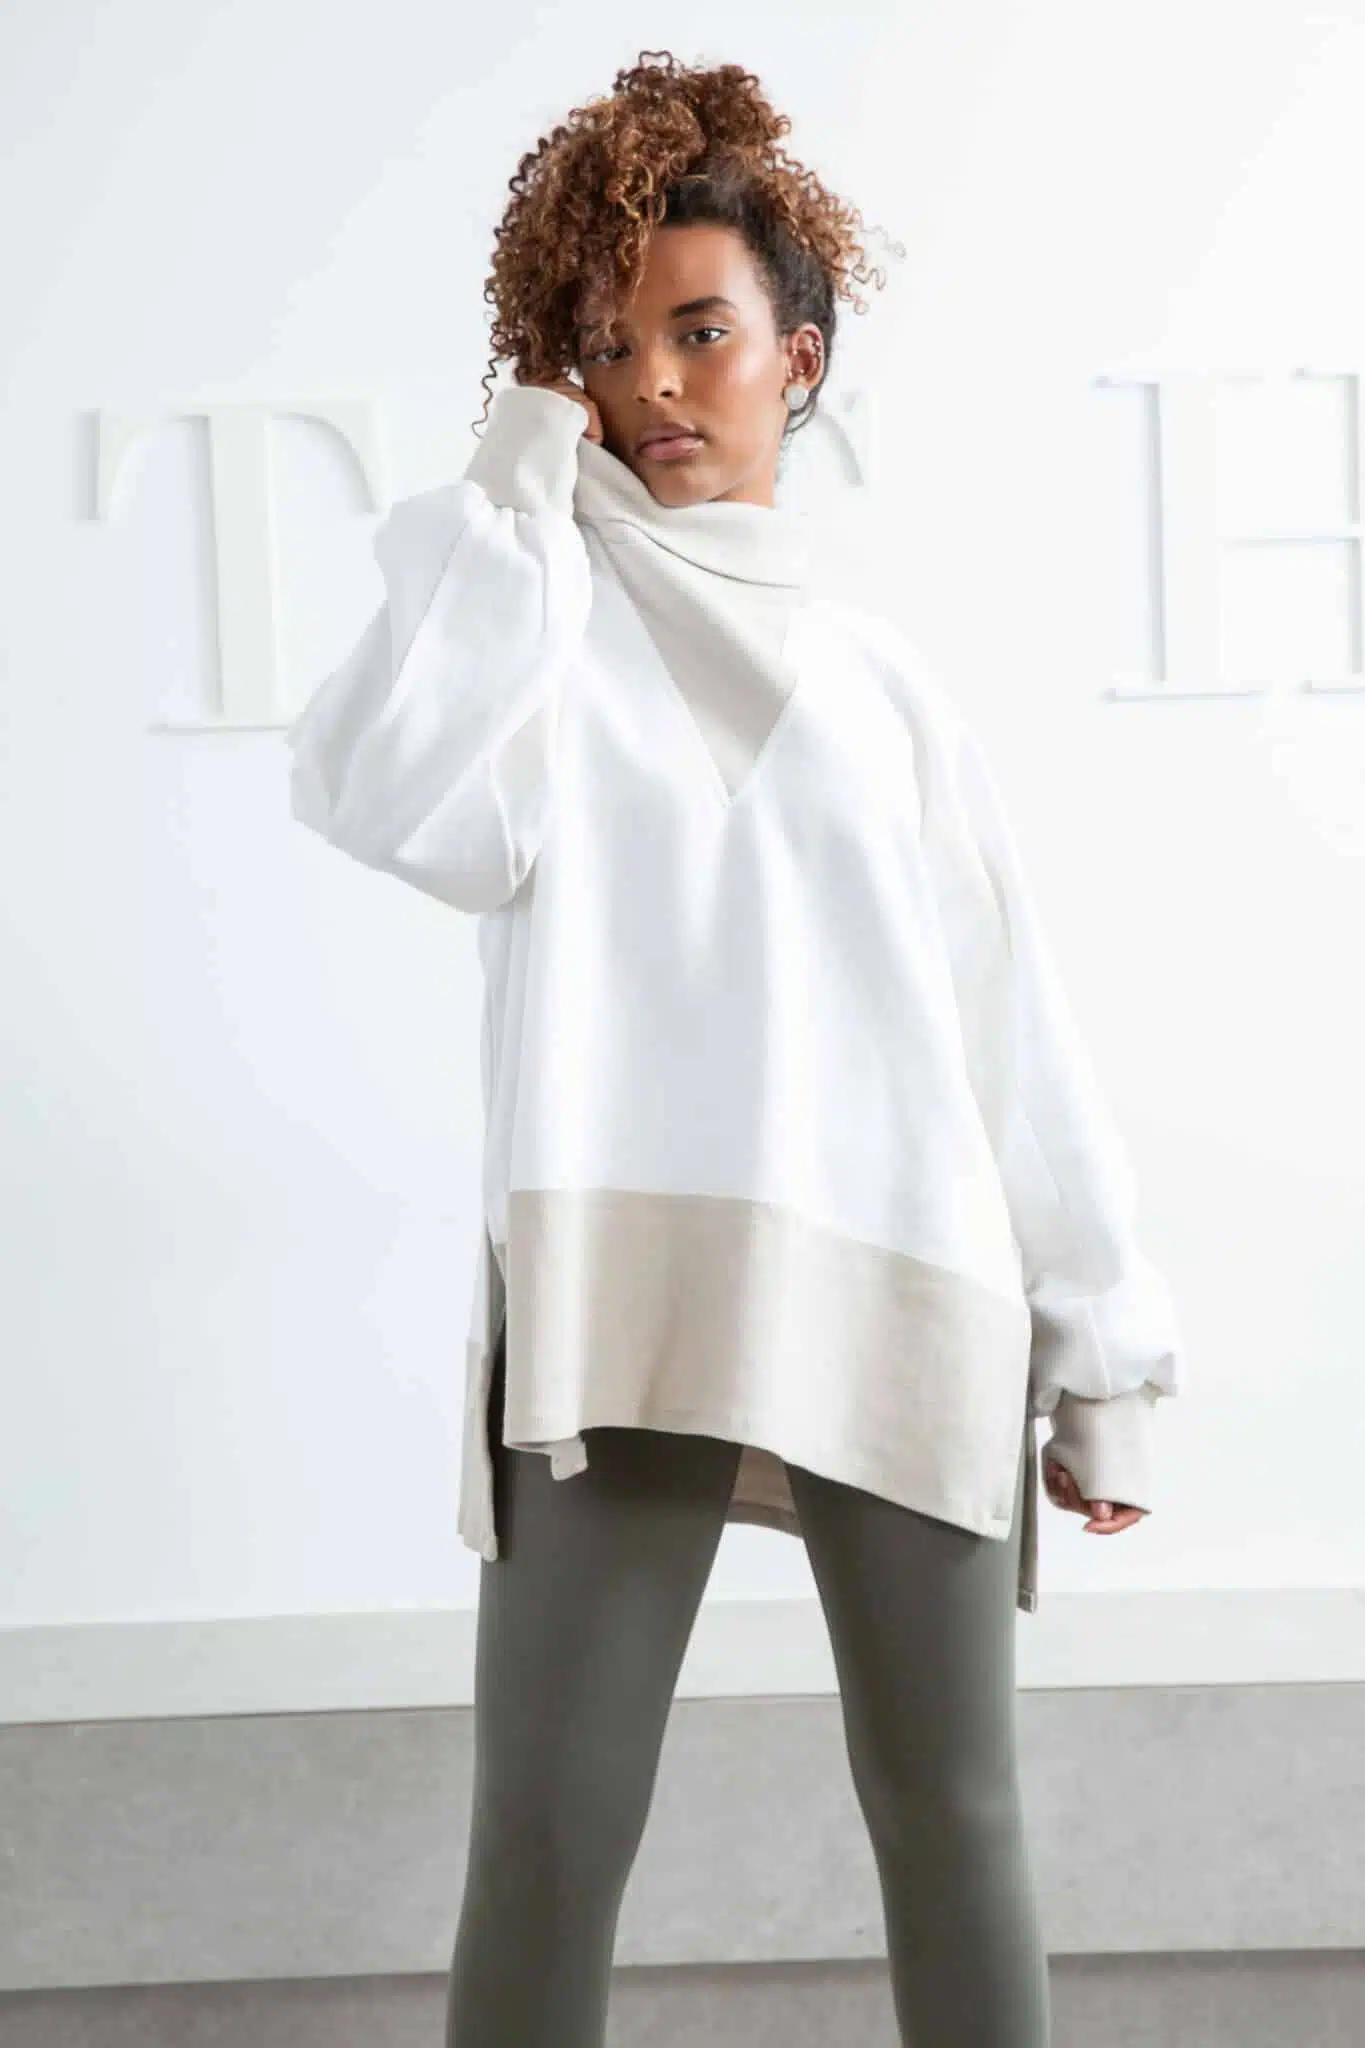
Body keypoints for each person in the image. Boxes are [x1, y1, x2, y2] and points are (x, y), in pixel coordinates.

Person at [286, 50, 1184, 2048]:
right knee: (546, 1834)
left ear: (801, 355)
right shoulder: (529, 624)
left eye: (701, 331)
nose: (658, 384)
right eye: (608, 347)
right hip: (623, 1292)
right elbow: (384, 798)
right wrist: (513, 475)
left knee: (952, 1820)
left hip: (904, 1282)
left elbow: (1005, 1023)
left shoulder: (883, 685)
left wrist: (1103, 1350)